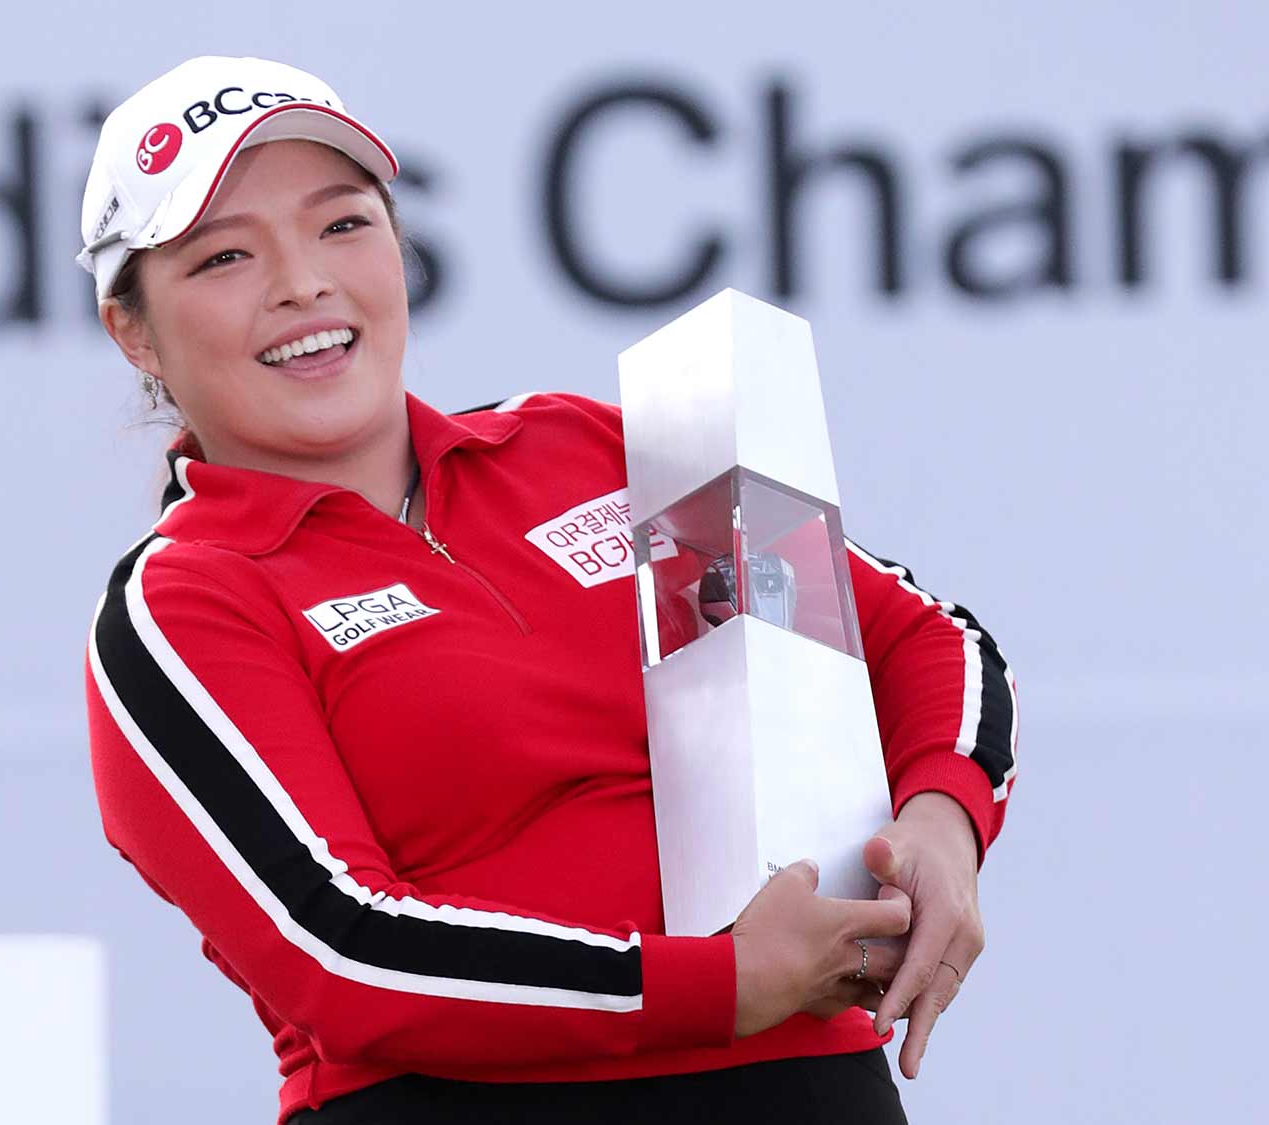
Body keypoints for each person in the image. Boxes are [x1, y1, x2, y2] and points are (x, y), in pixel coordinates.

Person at [79, 55, 1017, 1124]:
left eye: (342, 224)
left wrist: (942, 822)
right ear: (135, 332)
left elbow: (910, 639)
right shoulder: (186, 601)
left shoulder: (583, 450)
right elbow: (335, 950)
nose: (303, 282)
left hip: (806, 1085)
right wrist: (715, 984)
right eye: (225, 256)